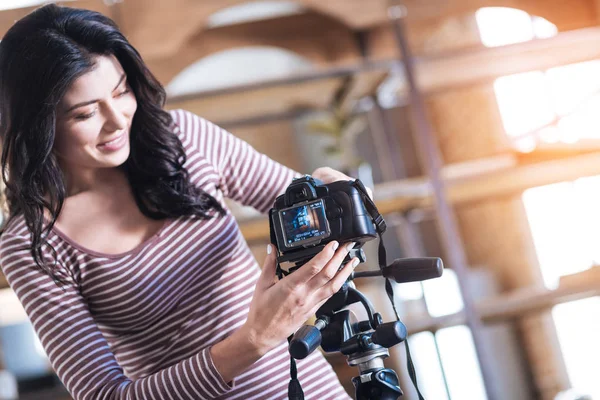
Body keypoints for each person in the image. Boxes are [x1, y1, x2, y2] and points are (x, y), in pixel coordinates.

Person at [0, 4, 364, 400]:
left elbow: (300, 204)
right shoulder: (33, 244)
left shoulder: (186, 140)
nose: (118, 119)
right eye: (86, 113)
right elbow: (105, 395)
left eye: (121, 91)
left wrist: (330, 190)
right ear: (37, 126)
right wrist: (255, 339)